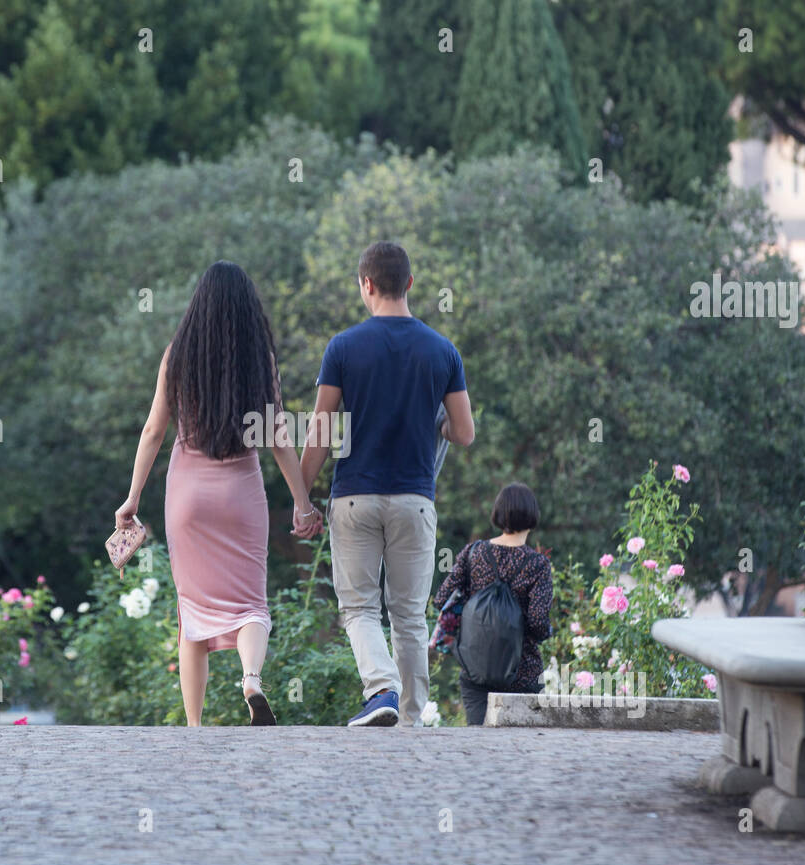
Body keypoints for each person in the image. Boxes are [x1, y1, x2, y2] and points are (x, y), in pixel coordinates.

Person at [116, 261, 322, 727]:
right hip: (240, 496)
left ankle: (194, 726)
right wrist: (302, 502)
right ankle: (251, 678)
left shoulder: (177, 356)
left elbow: (152, 430)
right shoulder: (259, 361)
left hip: (187, 498)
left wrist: (132, 498)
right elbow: (278, 437)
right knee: (251, 604)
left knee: (191, 612)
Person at [298, 241, 474, 727]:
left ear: (366, 285)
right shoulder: (443, 350)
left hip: (353, 497)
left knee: (358, 608)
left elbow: (320, 431)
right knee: (410, 617)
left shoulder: (343, 347)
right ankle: (413, 722)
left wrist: (301, 498)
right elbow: (464, 432)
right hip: (415, 501)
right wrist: (434, 424)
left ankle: (381, 691)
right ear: (411, 285)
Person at [434, 482, 553, 726]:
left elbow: (442, 598)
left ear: (498, 514)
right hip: (523, 670)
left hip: (475, 668)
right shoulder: (538, 565)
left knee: (478, 741)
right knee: (523, 744)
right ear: (532, 516)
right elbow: (538, 622)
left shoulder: (473, 552)